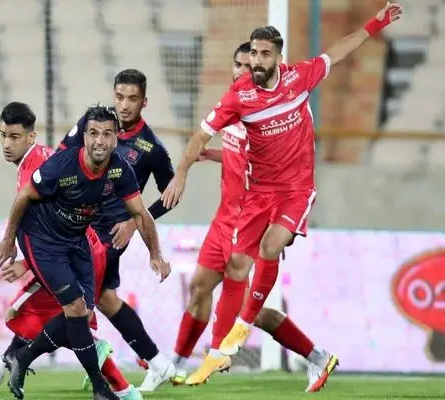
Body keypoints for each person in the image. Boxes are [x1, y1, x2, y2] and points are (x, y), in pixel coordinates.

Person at [162, 3, 403, 392]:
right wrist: (183, 171)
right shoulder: (237, 100)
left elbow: (340, 50)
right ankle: (232, 353)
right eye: (250, 56)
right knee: (228, 272)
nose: (254, 63)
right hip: (251, 202)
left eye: (262, 55)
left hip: (294, 190)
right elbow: (202, 136)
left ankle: (227, 340)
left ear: (277, 57)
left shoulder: (299, 78)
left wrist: (376, 23)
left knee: (267, 252)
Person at [170, 42, 335, 391]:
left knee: (250, 308)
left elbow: (265, 166)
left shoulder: (262, 115)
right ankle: (174, 364)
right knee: (200, 286)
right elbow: (234, 155)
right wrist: (211, 155)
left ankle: (311, 355)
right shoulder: (233, 109)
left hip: (251, 218)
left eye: (250, 65)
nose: (243, 70)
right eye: (239, 63)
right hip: (224, 219)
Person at [0, 105, 170, 400]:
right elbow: (24, 195)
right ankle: (101, 389)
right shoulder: (62, 166)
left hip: (76, 240)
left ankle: (22, 357)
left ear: (116, 138)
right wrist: (9, 240)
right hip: (42, 241)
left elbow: (141, 214)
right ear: (84, 137)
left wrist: (156, 254)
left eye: (107, 134)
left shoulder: (119, 170)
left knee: (83, 315)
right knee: (75, 308)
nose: (99, 141)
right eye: (93, 133)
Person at [59, 69, 177, 392]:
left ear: (144, 102)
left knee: (73, 297)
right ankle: (157, 362)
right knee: (106, 300)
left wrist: (134, 223)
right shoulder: (95, 126)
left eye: (132, 99)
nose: (124, 105)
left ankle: (15, 359)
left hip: (111, 235)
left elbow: (171, 195)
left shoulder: (151, 147)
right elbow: (62, 155)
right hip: (82, 227)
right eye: (120, 97)